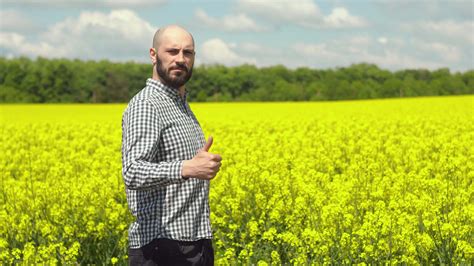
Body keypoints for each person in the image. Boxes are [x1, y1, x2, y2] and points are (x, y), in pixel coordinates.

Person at [121, 25, 222, 265]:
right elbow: (132, 171)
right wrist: (186, 168)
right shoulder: (147, 104)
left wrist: (199, 165)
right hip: (161, 247)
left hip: (192, 242)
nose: (180, 59)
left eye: (188, 53)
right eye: (172, 51)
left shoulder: (179, 104)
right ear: (153, 55)